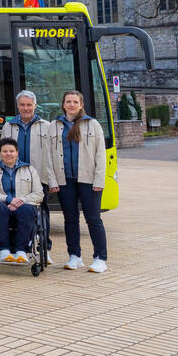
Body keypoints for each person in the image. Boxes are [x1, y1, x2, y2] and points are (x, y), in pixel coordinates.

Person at [50, 90, 108, 273]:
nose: (71, 105)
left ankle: (100, 258)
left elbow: (101, 154)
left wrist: (99, 180)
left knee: (93, 218)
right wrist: (52, 180)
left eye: (75, 102)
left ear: (81, 104)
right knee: (70, 219)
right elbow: (49, 155)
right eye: (68, 101)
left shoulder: (93, 124)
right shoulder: (55, 125)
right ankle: (74, 256)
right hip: (65, 180)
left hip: (88, 180)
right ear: (63, 104)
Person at [1, 90, 58, 264]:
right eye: (22, 105)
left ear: (35, 105)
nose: (26, 108)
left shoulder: (46, 126)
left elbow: (53, 155)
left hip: (38, 180)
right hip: (12, 178)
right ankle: (15, 249)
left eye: (29, 105)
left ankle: (44, 249)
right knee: (14, 211)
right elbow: (3, 153)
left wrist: (52, 180)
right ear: (18, 106)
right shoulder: (8, 127)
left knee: (42, 214)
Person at [0, 138, 44, 264]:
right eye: (5, 151)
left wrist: (20, 201)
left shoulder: (30, 170)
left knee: (27, 209)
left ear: (17, 153)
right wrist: (8, 199)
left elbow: (39, 194)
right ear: (0, 153)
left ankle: (21, 251)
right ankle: (4, 250)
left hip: (24, 206)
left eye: (11, 151)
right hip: (3, 206)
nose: (8, 154)